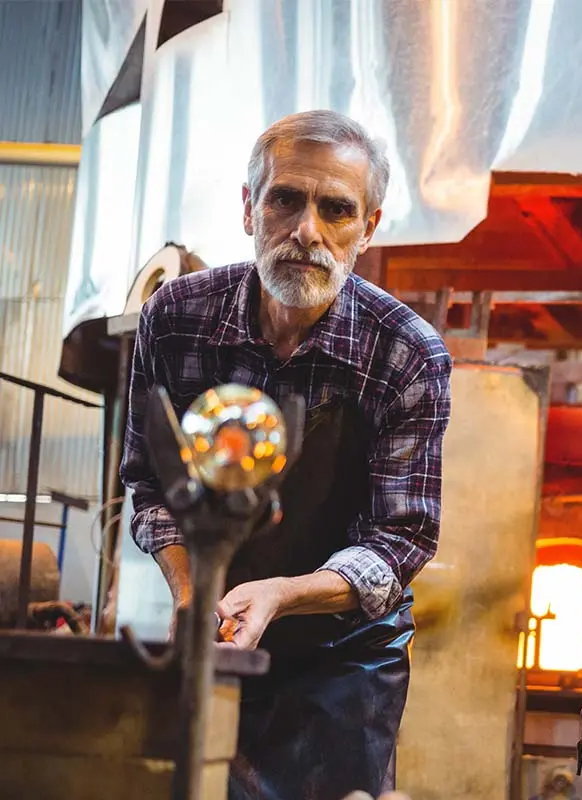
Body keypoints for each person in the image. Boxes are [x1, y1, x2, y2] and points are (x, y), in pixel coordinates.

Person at [119, 110, 452, 800]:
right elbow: (149, 483)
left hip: (344, 656)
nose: (306, 231)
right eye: (285, 200)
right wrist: (193, 591)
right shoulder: (177, 319)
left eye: (336, 210)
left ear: (368, 227)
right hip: (215, 628)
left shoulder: (405, 352)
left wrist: (281, 594)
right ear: (249, 208)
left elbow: (401, 537)